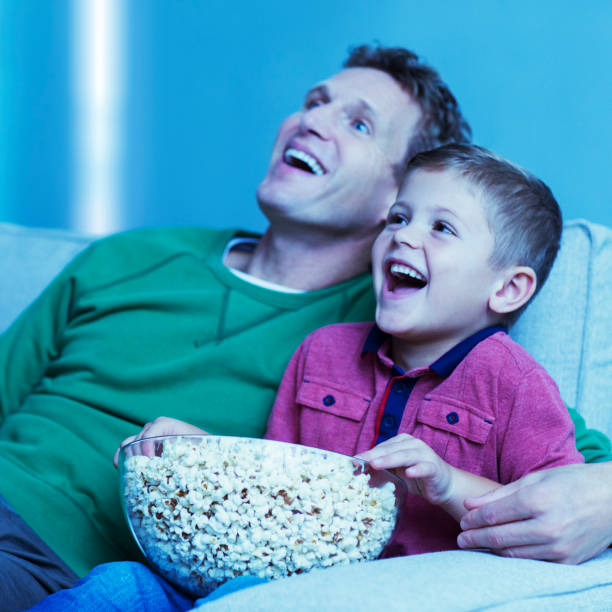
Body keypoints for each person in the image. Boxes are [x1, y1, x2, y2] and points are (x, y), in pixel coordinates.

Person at [0, 44, 472, 611]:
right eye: (314, 102)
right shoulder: (131, 257)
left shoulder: (396, 331)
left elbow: (552, 443)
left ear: (399, 202)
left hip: (44, 563)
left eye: (358, 123)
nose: (312, 121)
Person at [24, 143, 593, 611]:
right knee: (116, 587)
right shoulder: (323, 352)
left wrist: (447, 485)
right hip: (265, 572)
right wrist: (197, 455)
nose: (403, 235)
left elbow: (545, 512)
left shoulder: (513, 383)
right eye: (398, 217)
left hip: (362, 596)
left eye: (442, 228)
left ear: (508, 289)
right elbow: (274, 485)